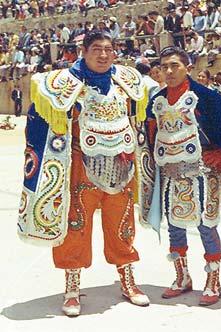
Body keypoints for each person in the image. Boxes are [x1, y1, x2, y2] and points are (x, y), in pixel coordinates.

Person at [17, 30, 151, 317]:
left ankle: (127, 280)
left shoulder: (128, 81)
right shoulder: (61, 84)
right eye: (96, 49)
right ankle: (73, 287)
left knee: (122, 224)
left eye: (108, 49)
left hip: (122, 163)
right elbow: (39, 123)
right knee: (76, 226)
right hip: (81, 165)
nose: (103, 55)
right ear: (84, 51)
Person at [144, 46, 221, 306]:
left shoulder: (206, 97)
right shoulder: (156, 100)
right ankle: (182, 277)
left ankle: (213, 281)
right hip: (170, 175)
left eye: (175, 65)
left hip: (202, 174)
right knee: (175, 228)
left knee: (206, 226)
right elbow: (150, 134)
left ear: (188, 68)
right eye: (164, 66)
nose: (169, 71)